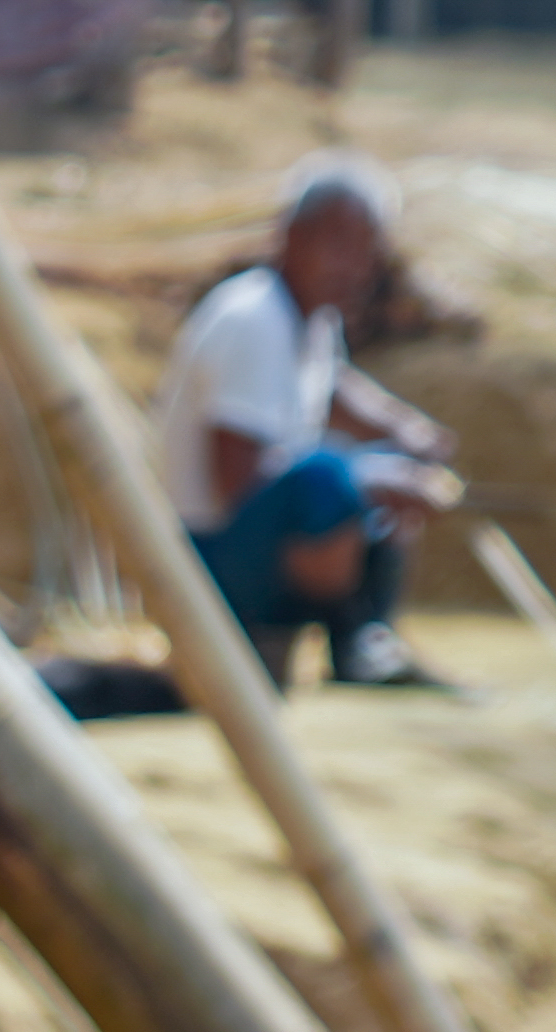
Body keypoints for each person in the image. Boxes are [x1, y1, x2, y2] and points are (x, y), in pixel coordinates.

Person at [144, 149, 463, 691]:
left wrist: (406, 435)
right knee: (328, 477)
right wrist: (370, 478)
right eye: (338, 244)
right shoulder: (254, 320)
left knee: (377, 473)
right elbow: (237, 482)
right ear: (291, 236)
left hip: (234, 543)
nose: (353, 267)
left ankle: (364, 638)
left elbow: (334, 387)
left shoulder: (311, 321)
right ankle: (346, 633)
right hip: (202, 554)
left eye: (365, 252)